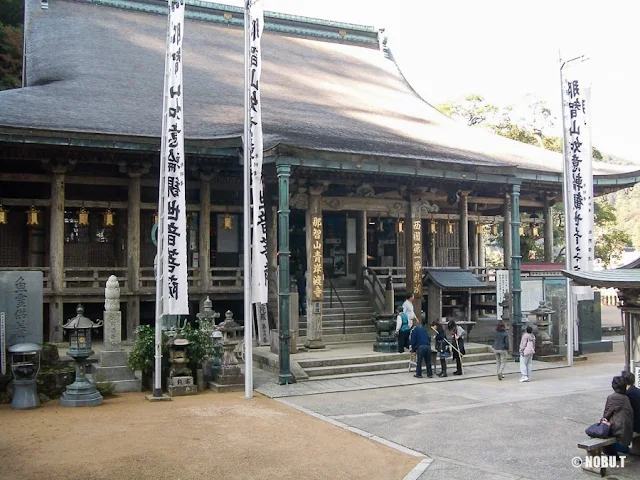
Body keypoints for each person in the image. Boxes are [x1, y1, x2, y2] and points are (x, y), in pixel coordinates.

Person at [602, 375, 634, 455]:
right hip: (628, 427)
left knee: (602, 430)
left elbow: (606, 414)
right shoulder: (626, 397)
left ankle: (611, 453)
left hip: (619, 429)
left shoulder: (613, 397)